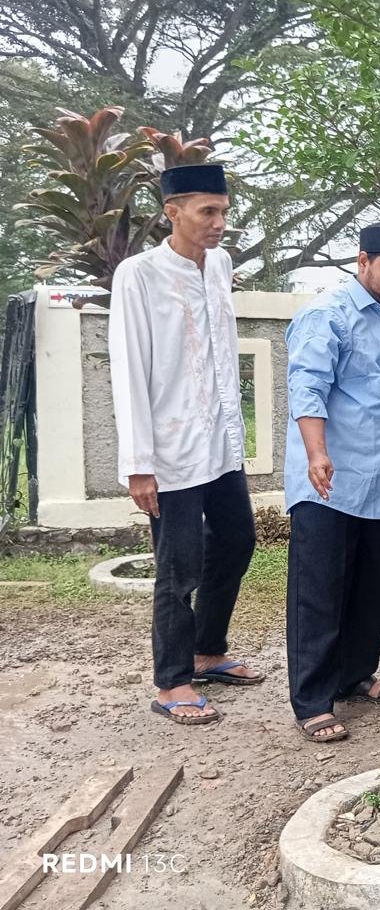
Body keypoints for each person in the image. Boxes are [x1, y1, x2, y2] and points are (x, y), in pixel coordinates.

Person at [108, 162, 261, 726]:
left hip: (219, 444)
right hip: (169, 451)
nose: (219, 223)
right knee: (179, 568)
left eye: (224, 211)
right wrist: (138, 463)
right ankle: (172, 681)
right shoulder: (139, 274)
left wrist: (233, 434)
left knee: (238, 541)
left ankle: (207, 651)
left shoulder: (220, 264)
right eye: (207, 212)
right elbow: (129, 368)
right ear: (172, 212)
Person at [282, 222, 380, 742]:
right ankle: (312, 699)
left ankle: (353, 674)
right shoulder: (327, 314)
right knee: (320, 592)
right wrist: (316, 453)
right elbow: (307, 386)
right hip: (330, 481)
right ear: (362, 261)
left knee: (372, 587)